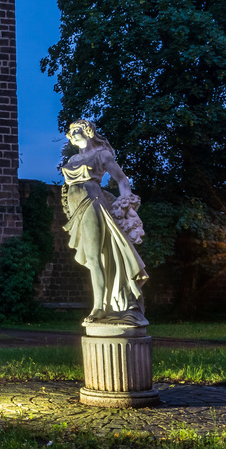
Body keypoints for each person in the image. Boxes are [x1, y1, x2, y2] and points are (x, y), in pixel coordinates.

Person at [61, 119, 149, 325]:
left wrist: (125, 204)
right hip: (75, 211)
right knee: (94, 258)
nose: (72, 134)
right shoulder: (74, 157)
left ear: (89, 131)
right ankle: (101, 305)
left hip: (93, 204)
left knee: (93, 258)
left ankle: (99, 307)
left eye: (77, 130)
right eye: (70, 131)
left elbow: (122, 180)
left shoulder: (102, 155)